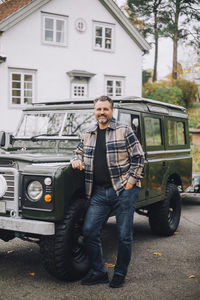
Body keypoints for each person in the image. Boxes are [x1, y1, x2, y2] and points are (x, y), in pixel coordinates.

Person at [71, 95, 144, 288]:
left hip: (123, 190)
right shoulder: (88, 133)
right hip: (99, 193)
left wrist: (130, 183)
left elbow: (138, 157)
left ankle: (120, 273)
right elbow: (77, 152)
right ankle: (99, 272)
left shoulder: (124, 130)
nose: (102, 112)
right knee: (89, 231)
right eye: (98, 109)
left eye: (105, 109)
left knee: (124, 235)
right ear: (94, 111)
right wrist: (75, 160)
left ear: (112, 110)